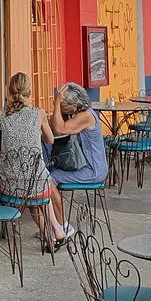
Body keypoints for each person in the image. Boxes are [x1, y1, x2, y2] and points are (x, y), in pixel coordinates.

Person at [0, 72, 71, 247]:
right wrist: (37, 135)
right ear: (29, 92)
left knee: (34, 195)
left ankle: (54, 234)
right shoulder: (39, 113)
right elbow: (50, 139)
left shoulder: (0, 115)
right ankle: (56, 232)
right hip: (37, 183)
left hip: (10, 185)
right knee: (38, 189)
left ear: (9, 91)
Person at [46, 82, 108, 227]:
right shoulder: (80, 114)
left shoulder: (86, 116)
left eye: (63, 105)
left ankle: (62, 225)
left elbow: (59, 128)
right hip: (90, 167)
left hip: (93, 170)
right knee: (53, 172)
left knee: (49, 179)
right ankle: (57, 224)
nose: (61, 109)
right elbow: (52, 124)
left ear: (73, 105)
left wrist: (56, 103)